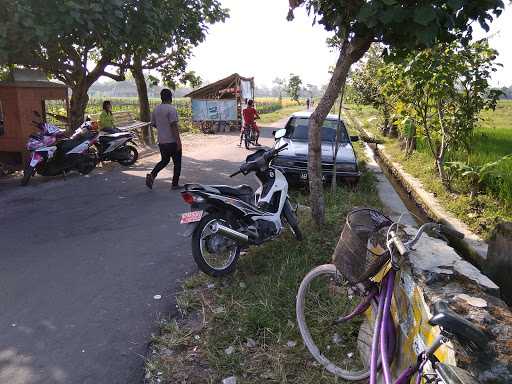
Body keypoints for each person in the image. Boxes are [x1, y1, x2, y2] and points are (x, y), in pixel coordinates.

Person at [146, 89, 182, 190]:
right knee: (177, 163)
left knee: (164, 160)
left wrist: (162, 128)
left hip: (162, 141)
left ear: (161, 97)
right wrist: (178, 142)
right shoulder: (171, 109)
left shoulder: (156, 109)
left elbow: (153, 124)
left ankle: (152, 174)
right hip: (172, 141)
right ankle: (175, 184)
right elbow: (174, 126)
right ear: (170, 97)